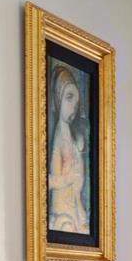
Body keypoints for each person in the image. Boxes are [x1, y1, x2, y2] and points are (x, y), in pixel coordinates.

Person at [48, 68, 90, 234]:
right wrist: (70, 178)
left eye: (76, 102)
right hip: (63, 211)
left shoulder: (72, 138)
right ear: (58, 98)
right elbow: (49, 181)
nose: (73, 106)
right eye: (69, 98)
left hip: (76, 210)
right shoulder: (58, 138)